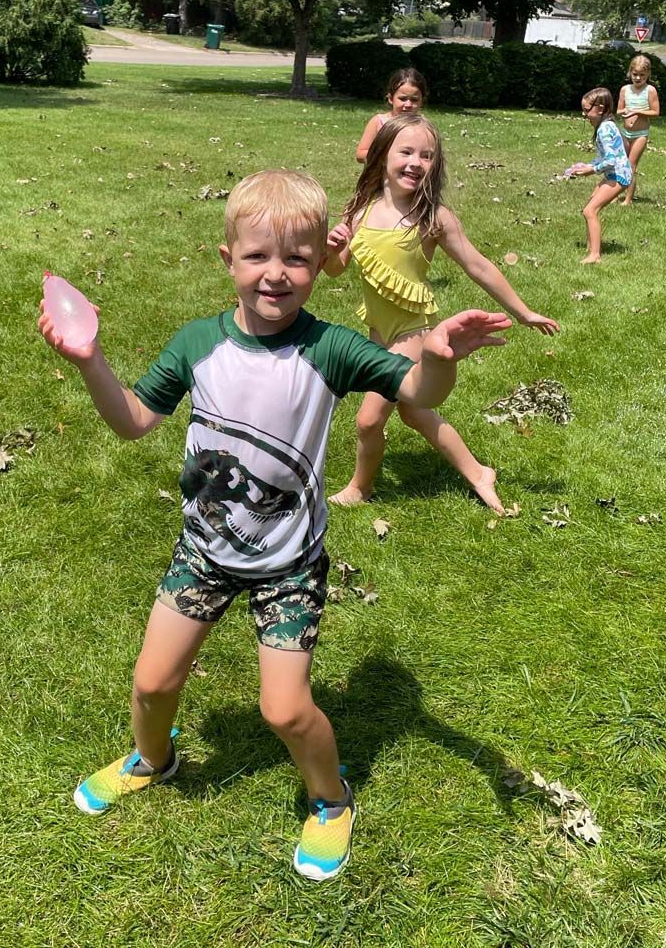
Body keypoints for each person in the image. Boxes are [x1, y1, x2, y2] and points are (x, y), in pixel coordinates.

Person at [37, 169, 512, 881]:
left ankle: (330, 799)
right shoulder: (199, 342)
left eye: (296, 258)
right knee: (151, 683)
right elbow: (134, 422)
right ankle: (153, 760)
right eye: (258, 256)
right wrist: (91, 362)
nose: (276, 274)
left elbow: (414, 389)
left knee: (286, 712)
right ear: (226, 258)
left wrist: (440, 359)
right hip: (203, 553)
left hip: (288, 565)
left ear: (324, 258)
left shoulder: (331, 348)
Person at [324, 114, 559, 512]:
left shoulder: (432, 218)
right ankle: (479, 472)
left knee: (368, 420)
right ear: (382, 155)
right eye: (407, 152)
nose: (416, 162)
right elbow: (334, 269)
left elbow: (478, 265)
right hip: (379, 332)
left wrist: (523, 312)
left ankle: (361, 488)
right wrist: (331, 247)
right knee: (416, 413)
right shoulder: (360, 211)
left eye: (427, 155)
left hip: (412, 332)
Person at [570, 88, 633, 264]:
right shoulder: (606, 125)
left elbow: (611, 160)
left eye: (586, 110)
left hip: (618, 176)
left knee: (590, 211)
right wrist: (588, 165)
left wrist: (592, 170)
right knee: (589, 207)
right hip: (615, 173)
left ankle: (595, 255)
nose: (584, 114)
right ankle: (591, 247)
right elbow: (604, 156)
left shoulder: (604, 129)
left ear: (600, 108)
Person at [355, 68, 427, 163]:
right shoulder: (379, 122)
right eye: (403, 99)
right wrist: (387, 156)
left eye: (414, 100)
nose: (408, 104)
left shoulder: (423, 126)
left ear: (422, 101)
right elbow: (360, 154)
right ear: (391, 98)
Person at [617, 55, 660, 205]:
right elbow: (619, 110)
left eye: (642, 75)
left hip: (640, 134)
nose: (638, 78)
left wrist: (637, 112)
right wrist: (625, 111)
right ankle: (615, 194)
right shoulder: (625, 89)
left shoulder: (650, 90)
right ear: (630, 72)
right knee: (620, 163)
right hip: (625, 132)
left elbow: (655, 112)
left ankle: (628, 199)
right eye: (635, 74)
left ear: (648, 74)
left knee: (631, 165)